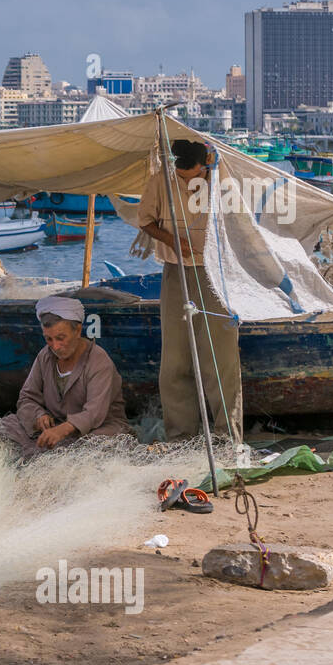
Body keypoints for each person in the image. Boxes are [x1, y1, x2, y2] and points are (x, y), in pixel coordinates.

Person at [133, 138, 242, 443]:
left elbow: (241, 224)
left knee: (221, 359)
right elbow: (146, 221)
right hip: (175, 273)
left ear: (205, 163)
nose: (188, 182)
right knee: (176, 359)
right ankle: (181, 436)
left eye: (193, 176)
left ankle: (226, 438)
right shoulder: (160, 181)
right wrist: (169, 239)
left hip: (215, 274)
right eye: (182, 178)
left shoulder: (223, 180)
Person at [0, 296, 131, 457]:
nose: (55, 346)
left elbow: (94, 413)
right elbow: (27, 398)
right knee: (5, 426)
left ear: (77, 330)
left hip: (98, 429)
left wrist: (62, 430)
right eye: (48, 339)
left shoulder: (98, 360)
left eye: (61, 338)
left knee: (90, 449)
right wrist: (39, 415)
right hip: (58, 426)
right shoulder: (45, 356)